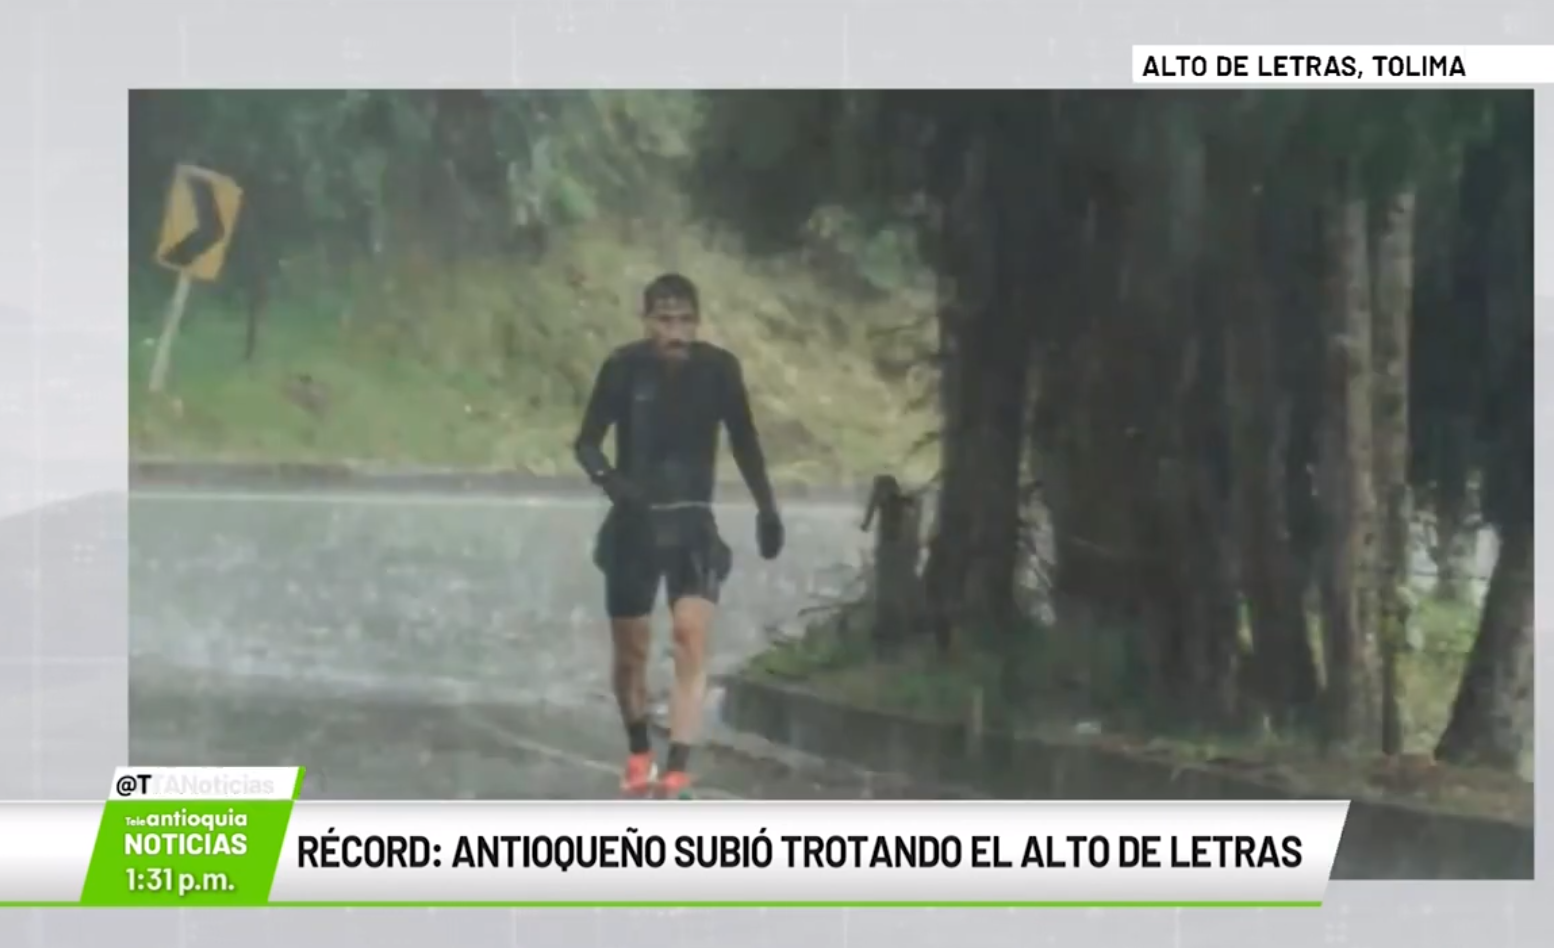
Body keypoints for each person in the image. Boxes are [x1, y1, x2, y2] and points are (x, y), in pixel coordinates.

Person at [572, 273, 785, 799]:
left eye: (686, 320)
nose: (677, 332)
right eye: (666, 321)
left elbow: (745, 442)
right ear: (647, 322)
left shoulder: (718, 370)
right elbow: (586, 444)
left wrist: (767, 508)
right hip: (634, 526)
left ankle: (678, 767)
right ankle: (640, 748)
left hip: (693, 523)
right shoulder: (623, 369)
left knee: (690, 637)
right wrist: (613, 484)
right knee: (632, 653)